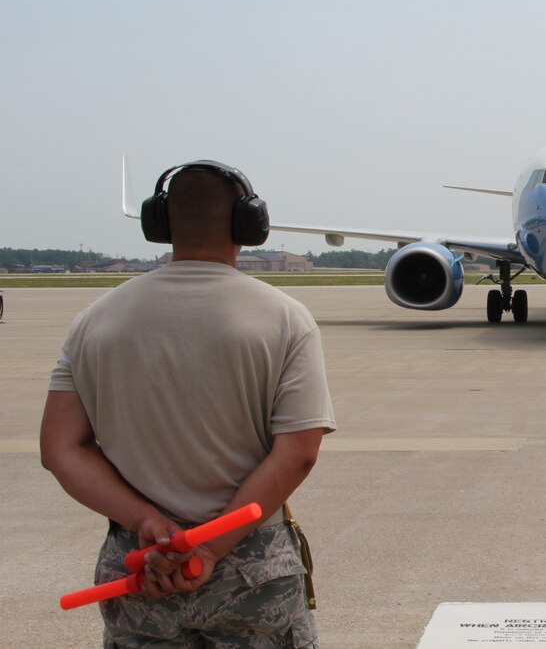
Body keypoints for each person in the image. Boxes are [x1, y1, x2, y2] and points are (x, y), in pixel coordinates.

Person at [40, 161, 336, 647]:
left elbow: (60, 449)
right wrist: (210, 549)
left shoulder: (95, 320)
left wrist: (146, 522)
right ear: (249, 224)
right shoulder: (285, 318)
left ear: (159, 223)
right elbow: (298, 453)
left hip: (141, 567)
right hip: (251, 568)